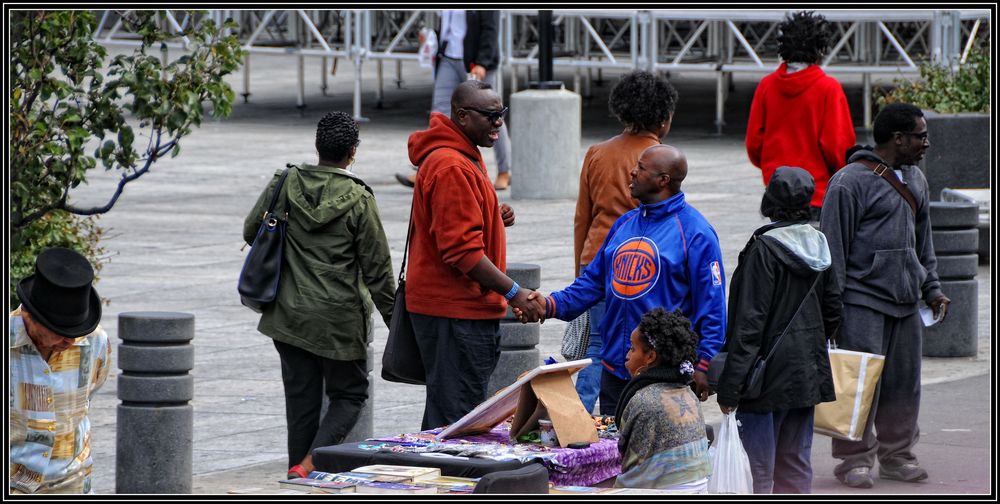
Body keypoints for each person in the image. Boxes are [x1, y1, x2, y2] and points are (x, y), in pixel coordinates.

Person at [242, 111, 396, 479]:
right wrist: (399, 325)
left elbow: (252, 231)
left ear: (317, 146)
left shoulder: (285, 182)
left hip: (288, 315)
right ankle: (309, 466)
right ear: (353, 153)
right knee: (351, 394)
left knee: (302, 404)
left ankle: (299, 472)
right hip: (338, 320)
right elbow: (378, 273)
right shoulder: (359, 199)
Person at [523, 144, 727, 415]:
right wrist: (548, 304)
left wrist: (703, 365)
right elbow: (592, 282)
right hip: (616, 371)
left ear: (662, 180)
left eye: (641, 168)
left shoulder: (697, 232)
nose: (632, 172)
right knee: (613, 453)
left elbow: (712, 308)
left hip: (664, 375)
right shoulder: (623, 224)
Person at [820, 103, 950, 489]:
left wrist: (933, 289)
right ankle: (854, 460)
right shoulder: (847, 183)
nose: (926, 143)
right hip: (861, 301)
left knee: (903, 384)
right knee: (859, 385)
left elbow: (923, 243)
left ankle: (897, 456)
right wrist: (833, 309)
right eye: (920, 136)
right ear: (898, 138)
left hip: (907, 303)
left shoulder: (917, 180)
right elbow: (833, 251)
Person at [406, 79, 544, 430]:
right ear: (463, 116)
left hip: (455, 313)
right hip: (455, 315)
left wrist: (492, 215)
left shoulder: (464, 154)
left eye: (502, 114)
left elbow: (456, 224)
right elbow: (462, 252)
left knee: (447, 415)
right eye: (491, 116)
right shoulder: (451, 165)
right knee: (458, 421)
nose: (499, 123)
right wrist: (514, 292)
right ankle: (448, 485)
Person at [715, 166, 843, 494]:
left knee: (757, 468)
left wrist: (730, 387)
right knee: (796, 463)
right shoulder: (820, 244)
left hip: (764, 377)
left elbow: (749, 325)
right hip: (806, 372)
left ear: (769, 200)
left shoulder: (764, 249)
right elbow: (833, 311)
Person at [571, 70, 679, 415]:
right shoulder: (658, 158)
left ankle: (579, 413)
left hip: (594, 257)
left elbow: (582, 217)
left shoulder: (597, 152)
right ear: (663, 118)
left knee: (598, 344)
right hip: (636, 266)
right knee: (635, 346)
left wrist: (581, 271)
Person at [10, 247, 112, 494]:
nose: (71, 341)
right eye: (60, 332)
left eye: (77, 331)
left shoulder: (95, 343)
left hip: (72, 482)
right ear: (29, 317)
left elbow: (91, 393)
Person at [745, 10, 856, 220]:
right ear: (820, 48)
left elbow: (754, 145)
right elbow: (837, 147)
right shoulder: (828, 88)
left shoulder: (766, 86)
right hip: (817, 193)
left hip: (778, 192)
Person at [397, 10, 512, 190]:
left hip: (476, 61)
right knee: (439, 113)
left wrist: (483, 61)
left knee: (493, 115)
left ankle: (504, 171)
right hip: (448, 58)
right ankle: (427, 168)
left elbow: (490, 28)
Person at [614, 308, 711, 492]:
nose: (628, 354)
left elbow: (625, 454)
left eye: (633, 349)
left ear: (650, 357)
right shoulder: (688, 393)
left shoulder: (643, 400)